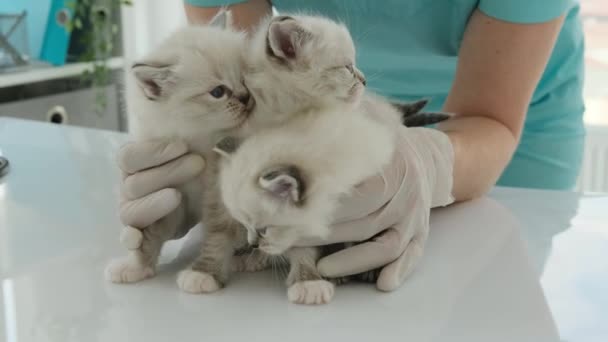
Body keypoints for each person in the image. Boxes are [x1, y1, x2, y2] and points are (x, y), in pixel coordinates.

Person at [117, 0, 585, 290]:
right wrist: (200, 171)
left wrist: (427, 161)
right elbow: (246, 90)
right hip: (313, 107)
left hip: (500, 147)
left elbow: (488, 118)